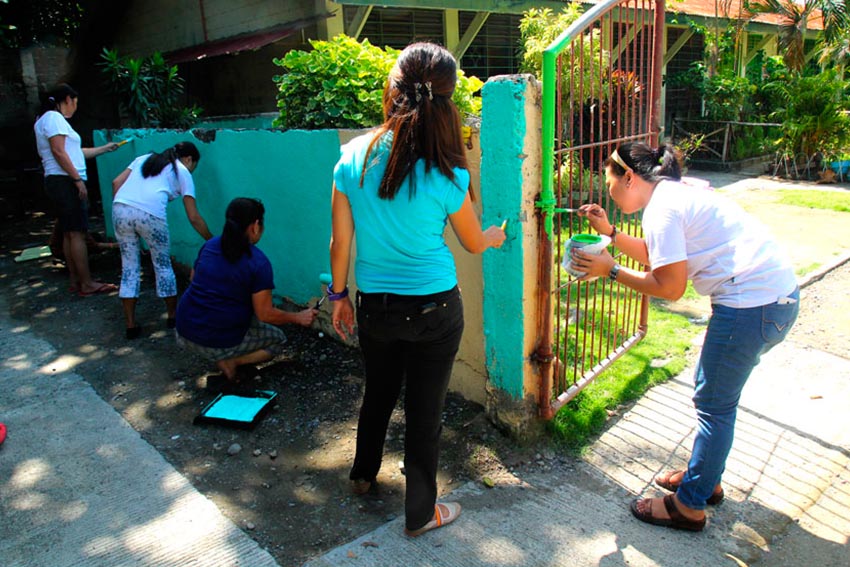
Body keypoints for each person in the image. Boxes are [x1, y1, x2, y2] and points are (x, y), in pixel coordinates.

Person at [571, 142, 800, 532]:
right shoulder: (676, 195)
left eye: (608, 180)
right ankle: (704, 479)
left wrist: (610, 270)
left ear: (628, 176)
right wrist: (609, 232)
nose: (606, 189)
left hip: (751, 306)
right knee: (716, 399)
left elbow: (669, 285)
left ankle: (688, 506)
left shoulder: (662, 210)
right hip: (772, 301)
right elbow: (659, 255)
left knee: (713, 404)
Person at [329, 42, 506, 538]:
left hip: (375, 308)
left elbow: (339, 242)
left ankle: (363, 475)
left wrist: (339, 297)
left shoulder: (351, 157)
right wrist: (493, 235)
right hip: (435, 309)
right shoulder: (448, 170)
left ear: (394, 90)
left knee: (379, 392)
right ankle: (420, 513)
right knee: (425, 413)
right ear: (447, 100)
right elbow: (473, 243)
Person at [175, 197, 317, 387]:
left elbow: (194, 279)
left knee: (249, 319)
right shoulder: (258, 263)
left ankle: (226, 353)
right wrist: (298, 317)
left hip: (183, 329)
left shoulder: (209, 246)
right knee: (277, 341)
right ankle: (232, 361)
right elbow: (265, 314)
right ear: (256, 226)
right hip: (211, 339)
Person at [111, 142, 212, 339]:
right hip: (151, 216)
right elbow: (193, 217)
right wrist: (211, 240)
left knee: (129, 268)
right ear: (189, 159)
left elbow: (116, 183)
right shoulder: (182, 171)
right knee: (162, 265)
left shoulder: (143, 159)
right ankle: (172, 317)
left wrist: (124, 213)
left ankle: (130, 325)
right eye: (194, 165)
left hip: (120, 209)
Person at [34, 83, 119, 296]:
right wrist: (76, 180)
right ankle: (87, 283)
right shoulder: (54, 119)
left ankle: (77, 280)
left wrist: (105, 149)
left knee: (69, 233)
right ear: (68, 100)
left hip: (58, 181)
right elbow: (59, 152)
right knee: (78, 234)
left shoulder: (43, 120)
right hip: (64, 181)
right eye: (75, 102)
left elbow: (74, 152)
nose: (75, 107)